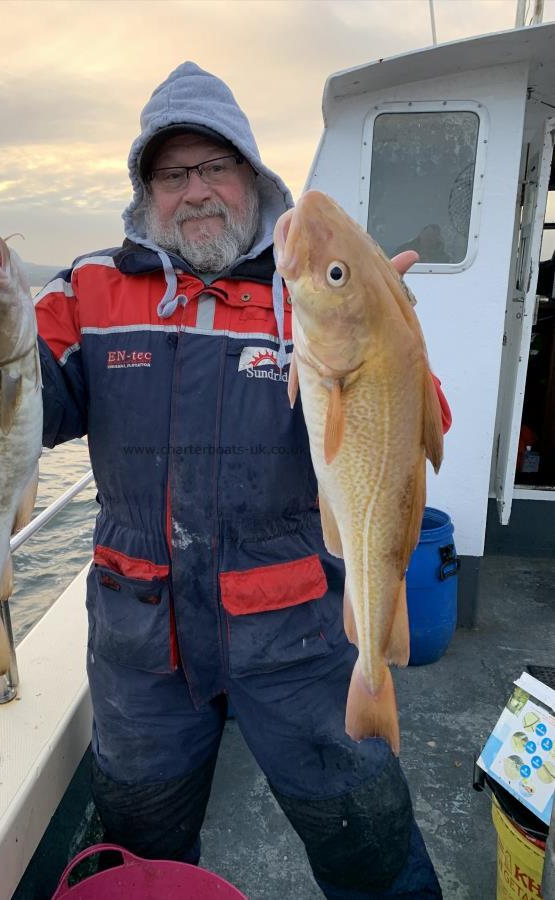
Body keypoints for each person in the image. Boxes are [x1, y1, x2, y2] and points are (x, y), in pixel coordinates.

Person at [34, 62, 450, 898]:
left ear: (252, 177)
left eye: (215, 167)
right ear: (145, 190)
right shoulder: (88, 288)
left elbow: (413, 429)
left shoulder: (304, 288)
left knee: (367, 841)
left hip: (296, 632)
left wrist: (391, 333)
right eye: (172, 173)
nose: (196, 192)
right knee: (144, 849)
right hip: (140, 636)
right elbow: (29, 414)